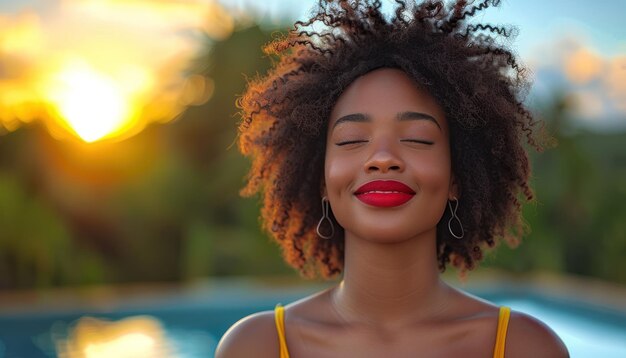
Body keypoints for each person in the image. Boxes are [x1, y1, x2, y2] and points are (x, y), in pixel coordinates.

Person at [216, 0, 569, 357]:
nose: (382, 158)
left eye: (417, 138)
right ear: (322, 181)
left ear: (456, 178)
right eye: (352, 140)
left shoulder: (523, 347)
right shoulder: (256, 346)